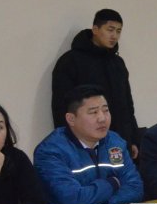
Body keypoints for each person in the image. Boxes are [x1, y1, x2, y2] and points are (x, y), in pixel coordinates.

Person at [35, 84, 143, 204]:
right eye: (93, 112)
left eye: (106, 110)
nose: (102, 118)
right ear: (71, 119)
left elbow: (136, 188)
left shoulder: (114, 142)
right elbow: (73, 201)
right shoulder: (51, 151)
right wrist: (112, 183)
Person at [51, 9, 140, 158]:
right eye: (110, 29)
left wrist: (133, 139)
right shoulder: (70, 61)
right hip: (84, 143)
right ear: (95, 29)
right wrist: (69, 143)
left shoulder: (118, 64)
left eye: (118, 31)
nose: (114, 36)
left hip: (118, 143)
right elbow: (61, 107)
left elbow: (127, 106)